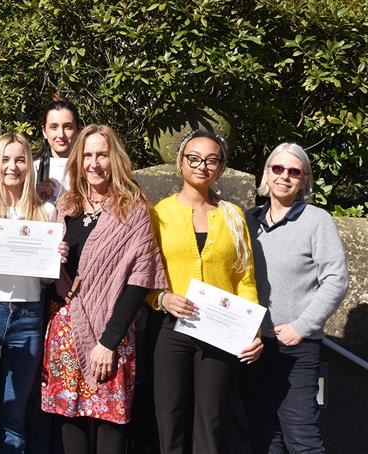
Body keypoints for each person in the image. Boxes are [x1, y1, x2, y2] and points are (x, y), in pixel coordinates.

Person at [41, 124, 167, 454]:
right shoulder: (66, 206)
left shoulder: (133, 210)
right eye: (87, 155)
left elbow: (139, 281)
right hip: (66, 329)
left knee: (110, 425)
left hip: (112, 335)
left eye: (102, 155)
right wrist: (54, 259)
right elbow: (55, 275)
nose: (94, 163)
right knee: (70, 423)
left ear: (115, 159)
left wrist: (108, 342)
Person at [150, 129, 263, 454]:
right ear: (180, 162)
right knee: (170, 416)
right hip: (172, 328)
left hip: (220, 330)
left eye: (212, 160)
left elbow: (244, 278)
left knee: (212, 419)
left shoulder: (233, 215)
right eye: (195, 158)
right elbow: (145, 271)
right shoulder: (159, 213)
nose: (203, 166)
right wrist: (161, 298)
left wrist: (252, 330)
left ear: (221, 167)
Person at [0, 132, 67, 453]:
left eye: (20, 159)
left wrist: (55, 260)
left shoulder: (46, 212)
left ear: (29, 165)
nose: (12, 167)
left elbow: (44, 282)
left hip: (27, 318)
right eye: (5, 159)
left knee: (14, 417)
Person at [244, 143, 349, 453]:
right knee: (263, 436)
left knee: (302, 438)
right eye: (278, 168)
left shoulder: (317, 220)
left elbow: (336, 279)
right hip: (253, 346)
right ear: (266, 173)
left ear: (304, 180)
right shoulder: (247, 220)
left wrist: (301, 327)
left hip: (296, 348)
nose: (285, 176)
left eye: (294, 171)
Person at [34, 96, 81, 201]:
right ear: (44, 132)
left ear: (78, 131)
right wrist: (34, 196)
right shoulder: (33, 170)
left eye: (68, 127)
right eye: (54, 127)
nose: (61, 135)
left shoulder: (89, 169)